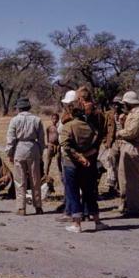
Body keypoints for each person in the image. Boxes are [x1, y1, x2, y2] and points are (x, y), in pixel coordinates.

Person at [61, 100, 108, 233]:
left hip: (71, 165)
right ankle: (97, 221)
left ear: (71, 112)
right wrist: (85, 156)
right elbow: (96, 146)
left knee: (73, 193)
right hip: (88, 164)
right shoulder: (91, 127)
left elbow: (66, 146)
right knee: (89, 193)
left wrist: (79, 157)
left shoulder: (68, 126)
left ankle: (77, 224)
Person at [5, 97, 45, 216]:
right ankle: (38, 206)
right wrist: (40, 152)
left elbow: (10, 139)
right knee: (35, 179)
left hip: (19, 149)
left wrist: (9, 153)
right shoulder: (37, 120)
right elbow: (42, 140)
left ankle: (21, 208)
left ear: (19, 108)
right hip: (33, 148)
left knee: (20, 180)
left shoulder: (14, 120)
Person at [116, 91, 139, 216]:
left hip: (132, 146)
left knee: (132, 180)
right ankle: (126, 204)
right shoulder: (131, 113)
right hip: (126, 145)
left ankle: (134, 209)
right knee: (123, 178)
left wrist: (119, 133)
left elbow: (132, 132)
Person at [55, 90, 77, 218]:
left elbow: (60, 130)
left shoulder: (67, 117)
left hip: (68, 152)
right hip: (78, 152)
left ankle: (69, 210)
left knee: (69, 182)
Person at [99, 96, 124, 198]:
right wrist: (106, 141)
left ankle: (120, 186)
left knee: (121, 165)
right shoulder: (108, 114)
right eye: (114, 104)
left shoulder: (125, 115)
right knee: (110, 164)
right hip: (113, 143)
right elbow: (104, 129)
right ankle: (111, 187)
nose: (116, 106)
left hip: (123, 142)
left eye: (118, 104)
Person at [45, 113, 62, 177]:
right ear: (51, 119)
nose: (54, 120)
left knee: (59, 160)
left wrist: (59, 145)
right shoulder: (49, 127)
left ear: (58, 119)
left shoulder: (59, 128)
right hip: (50, 145)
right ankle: (46, 174)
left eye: (56, 119)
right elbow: (47, 135)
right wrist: (47, 143)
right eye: (53, 119)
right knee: (48, 161)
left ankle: (61, 174)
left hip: (57, 146)